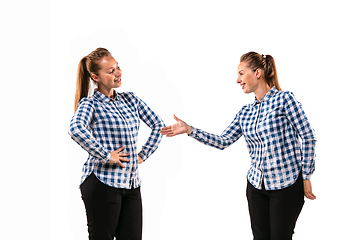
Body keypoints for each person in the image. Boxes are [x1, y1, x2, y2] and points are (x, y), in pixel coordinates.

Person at [160, 51, 316, 240]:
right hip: (256, 186)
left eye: (241, 73)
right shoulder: (245, 112)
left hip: (286, 186)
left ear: (257, 73)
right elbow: (223, 140)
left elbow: (308, 136)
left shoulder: (284, 100)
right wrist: (189, 129)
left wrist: (306, 175)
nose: (237, 80)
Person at [68, 47, 165, 240]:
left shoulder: (131, 100)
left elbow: (158, 125)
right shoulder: (90, 104)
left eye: (117, 67)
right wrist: (107, 155)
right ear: (95, 77)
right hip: (102, 183)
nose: (118, 73)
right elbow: (75, 129)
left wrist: (142, 155)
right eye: (110, 71)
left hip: (131, 184)